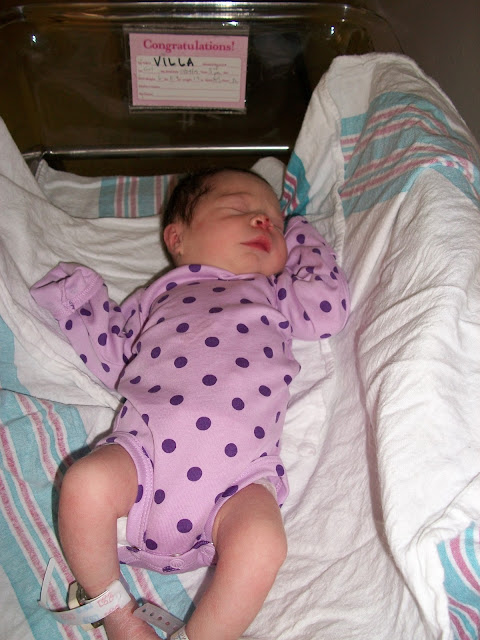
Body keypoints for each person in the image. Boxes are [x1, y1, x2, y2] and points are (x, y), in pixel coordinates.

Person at [31, 167, 350, 640]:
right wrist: (79, 302)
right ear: (177, 238)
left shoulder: (274, 292)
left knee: (263, 544)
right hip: (144, 458)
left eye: (276, 223)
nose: (264, 222)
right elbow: (114, 356)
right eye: (240, 208)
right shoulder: (158, 297)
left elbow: (328, 309)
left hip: (237, 485)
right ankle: (118, 617)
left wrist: (301, 232)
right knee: (84, 484)